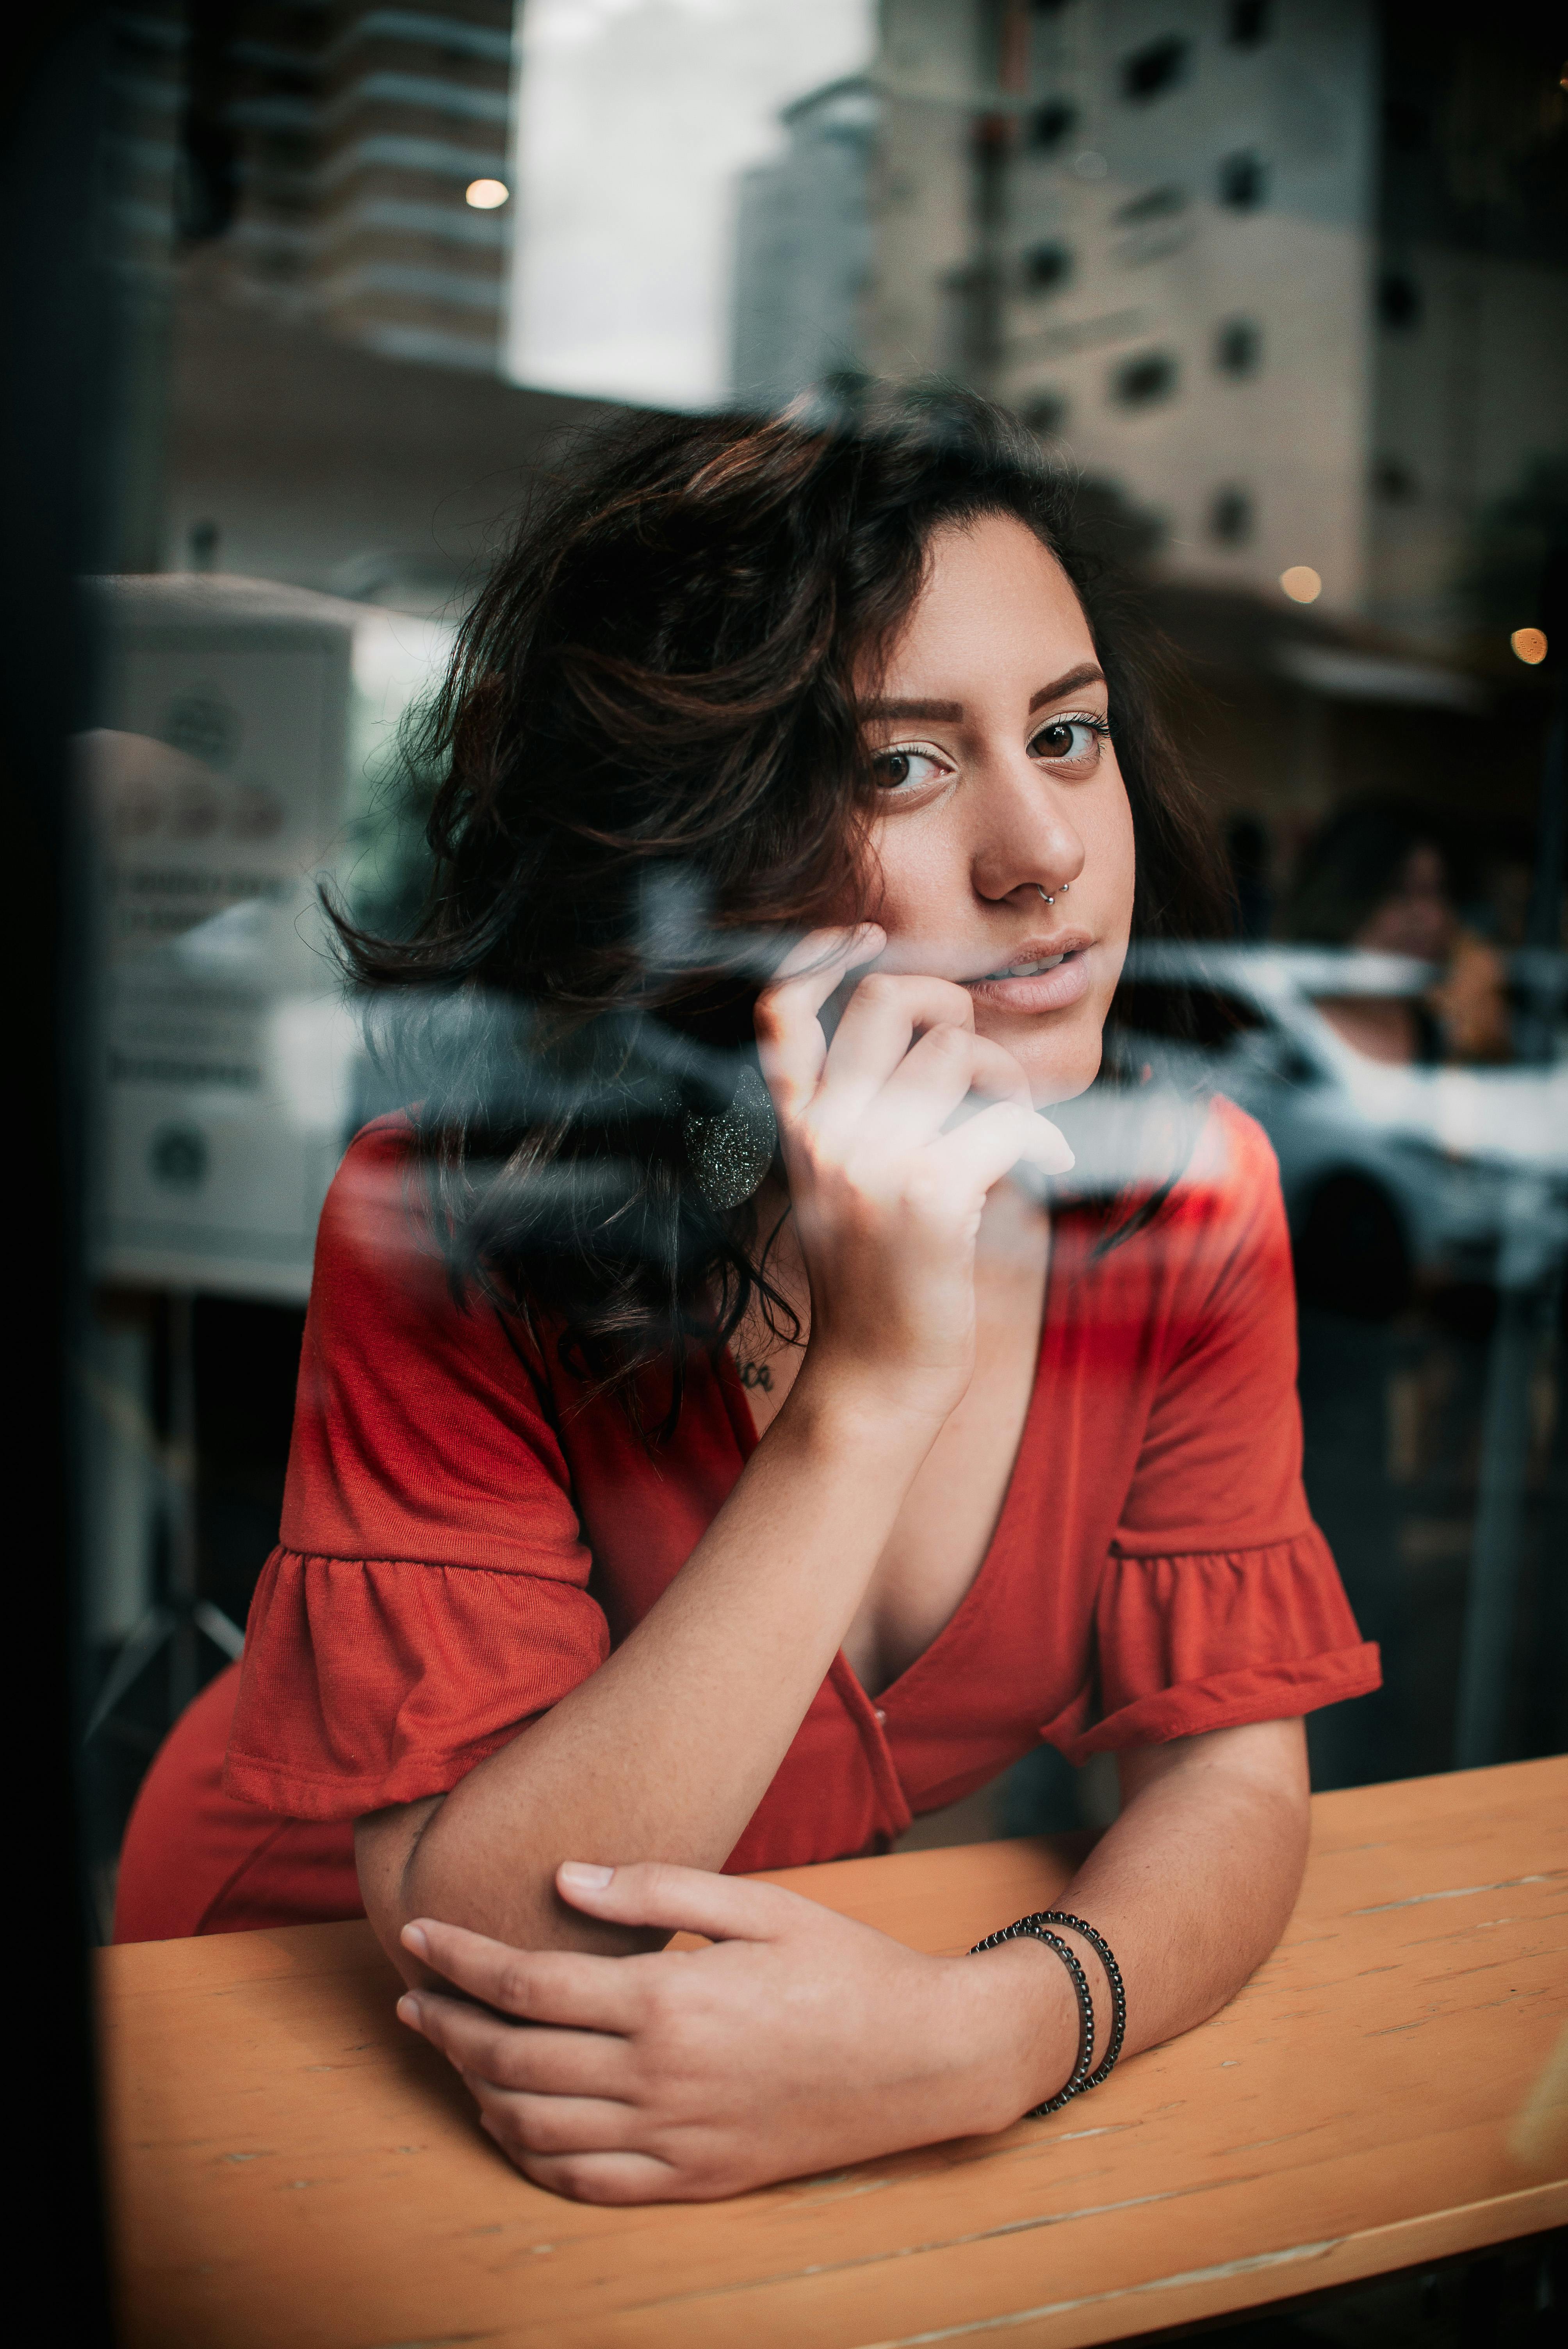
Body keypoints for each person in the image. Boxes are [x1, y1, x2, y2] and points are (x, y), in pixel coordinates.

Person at [116, 393, 1379, 2203]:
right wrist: (862, 1394)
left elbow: (1233, 1781)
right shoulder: (456, 1214)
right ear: (695, 851)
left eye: (1065, 732)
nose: (1040, 853)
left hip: (718, 2040)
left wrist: (990, 2036)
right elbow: (495, 1940)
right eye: (897, 766)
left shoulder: (1184, 1197)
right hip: (296, 2006)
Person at [1282, 797, 1510, 1065]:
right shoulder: (1283, 1038)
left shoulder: (1448, 1032)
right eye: (1401, 892)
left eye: (1441, 893)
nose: (1433, 919)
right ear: (1341, 897)